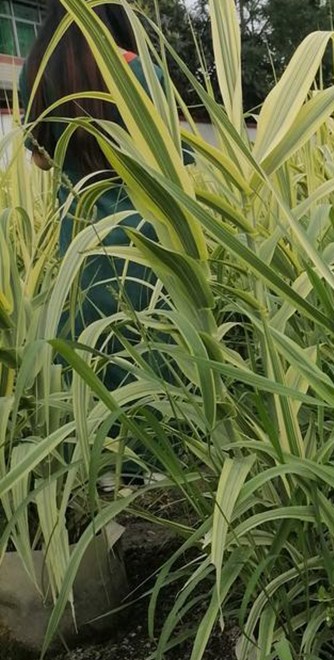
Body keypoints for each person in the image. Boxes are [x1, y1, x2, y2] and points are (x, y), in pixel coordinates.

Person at [19, 0, 169, 488]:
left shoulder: (36, 75)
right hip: (145, 237)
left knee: (92, 346)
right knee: (152, 347)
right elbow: (171, 156)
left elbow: (41, 160)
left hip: (80, 236)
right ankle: (156, 469)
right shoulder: (140, 71)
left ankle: (105, 465)